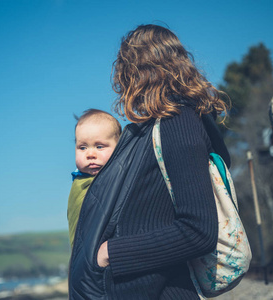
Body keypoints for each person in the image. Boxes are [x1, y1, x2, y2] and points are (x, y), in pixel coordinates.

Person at [69, 24, 231, 300]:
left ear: (138, 70)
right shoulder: (163, 123)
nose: (121, 82)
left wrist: (111, 253)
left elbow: (199, 230)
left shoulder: (178, 123)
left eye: (124, 70)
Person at [67, 109, 122, 248]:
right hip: (86, 255)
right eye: (83, 147)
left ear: (119, 148)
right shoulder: (83, 182)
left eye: (99, 146)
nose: (90, 154)